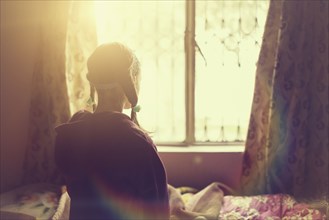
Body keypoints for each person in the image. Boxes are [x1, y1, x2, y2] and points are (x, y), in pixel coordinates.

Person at [55, 43, 170, 220]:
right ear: (131, 81)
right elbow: (159, 213)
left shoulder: (72, 129)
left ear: (94, 82)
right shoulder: (138, 142)